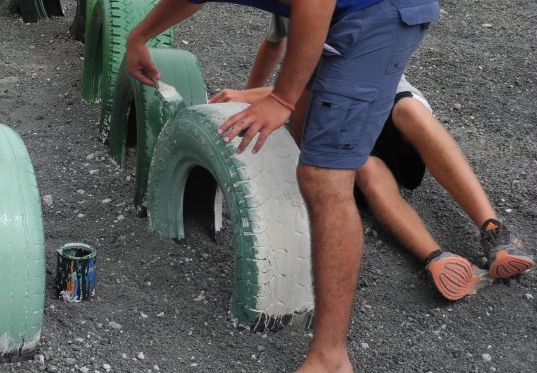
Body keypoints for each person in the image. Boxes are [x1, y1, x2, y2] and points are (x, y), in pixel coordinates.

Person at [88, 0, 441, 373]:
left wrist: (279, 97)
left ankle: (330, 362)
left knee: (324, 175)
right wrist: (141, 34)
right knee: (309, 140)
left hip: (379, 1)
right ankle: (339, 220)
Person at [214, 16, 534, 300]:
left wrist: (254, 96)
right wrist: (245, 101)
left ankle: (494, 231)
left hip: (381, 102)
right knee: (366, 167)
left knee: (410, 111)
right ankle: (437, 258)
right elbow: (274, 42)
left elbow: (336, 76)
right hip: (339, 126)